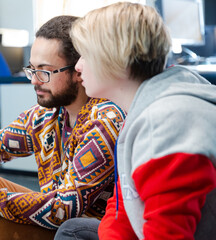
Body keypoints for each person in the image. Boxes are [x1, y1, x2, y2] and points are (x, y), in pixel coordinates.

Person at [0, 15, 126, 240]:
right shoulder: (48, 113)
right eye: (31, 69)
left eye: (45, 71)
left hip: (85, 229)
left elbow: (65, 210)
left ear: (78, 71)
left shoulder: (105, 120)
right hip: (55, 214)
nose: (34, 80)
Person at [55, 2, 216, 240]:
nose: (78, 67)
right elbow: (126, 201)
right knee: (73, 230)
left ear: (115, 59)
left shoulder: (166, 125)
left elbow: (168, 235)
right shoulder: (146, 104)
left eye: (85, 55)